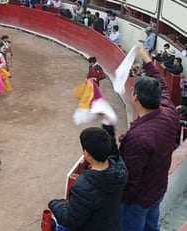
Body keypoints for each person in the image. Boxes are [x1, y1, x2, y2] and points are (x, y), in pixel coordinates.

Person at [104, 47, 179, 231]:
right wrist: (146, 60)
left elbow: (130, 181)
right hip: (158, 188)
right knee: (152, 226)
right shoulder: (169, 112)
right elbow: (161, 83)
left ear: (134, 96)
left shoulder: (138, 138)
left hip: (137, 201)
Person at [48, 127, 128, 231]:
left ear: (86, 153)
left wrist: (55, 204)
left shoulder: (83, 187)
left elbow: (71, 220)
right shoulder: (120, 168)